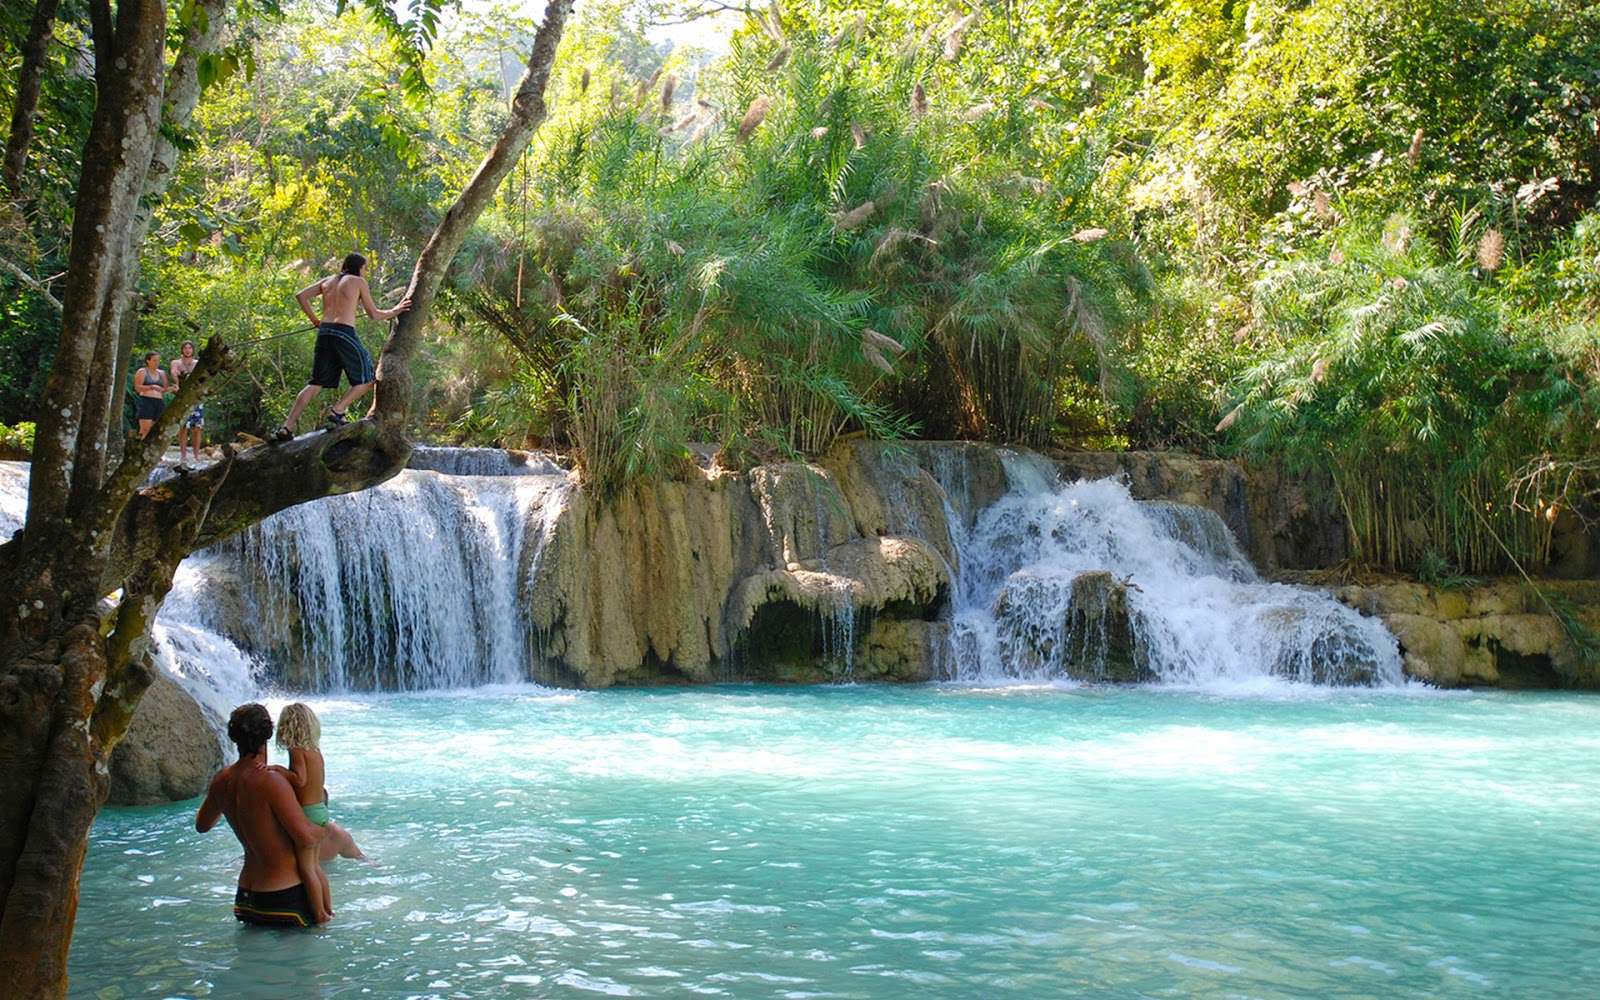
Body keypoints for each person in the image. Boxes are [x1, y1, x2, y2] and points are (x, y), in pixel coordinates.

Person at [196, 704, 328, 928]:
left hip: (245, 899)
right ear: (268, 734)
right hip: (283, 896)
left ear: (234, 737)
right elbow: (306, 837)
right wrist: (324, 828)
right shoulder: (271, 781)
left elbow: (202, 825)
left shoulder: (221, 780)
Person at [271, 252, 411, 442]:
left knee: (315, 383)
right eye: (365, 268)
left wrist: (315, 320)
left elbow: (301, 296)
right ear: (359, 267)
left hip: (325, 333)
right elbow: (374, 314)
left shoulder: (328, 281)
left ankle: (286, 427)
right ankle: (337, 411)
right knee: (368, 379)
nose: (365, 271)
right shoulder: (358, 282)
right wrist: (396, 310)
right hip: (343, 332)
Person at [271, 703, 345, 924]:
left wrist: (280, 771)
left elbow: (300, 779)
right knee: (315, 867)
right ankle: (328, 909)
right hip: (320, 810)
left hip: (307, 813)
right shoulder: (315, 751)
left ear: (288, 727)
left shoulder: (296, 751)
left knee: (306, 869)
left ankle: (320, 915)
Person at [170, 340, 203, 464]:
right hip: (182, 396)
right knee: (183, 427)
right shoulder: (176, 362)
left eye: (190, 348)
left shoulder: (197, 363)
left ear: (193, 350)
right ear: (182, 349)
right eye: (185, 348)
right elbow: (174, 373)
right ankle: (183, 455)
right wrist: (177, 379)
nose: (187, 350)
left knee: (197, 427)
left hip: (196, 397)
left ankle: (196, 455)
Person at [133, 351, 167, 439]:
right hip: (146, 400)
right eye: (154, 360)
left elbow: (164, 389)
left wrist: (172, 388)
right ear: (148, 361)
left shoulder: (162, 373)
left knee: (157, 429)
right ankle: (139, 447)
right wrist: (151, 387)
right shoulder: (142, 371)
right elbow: (137, 387)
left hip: (159, 401)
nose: (157, 363)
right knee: (145, 428)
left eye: (158, 361)